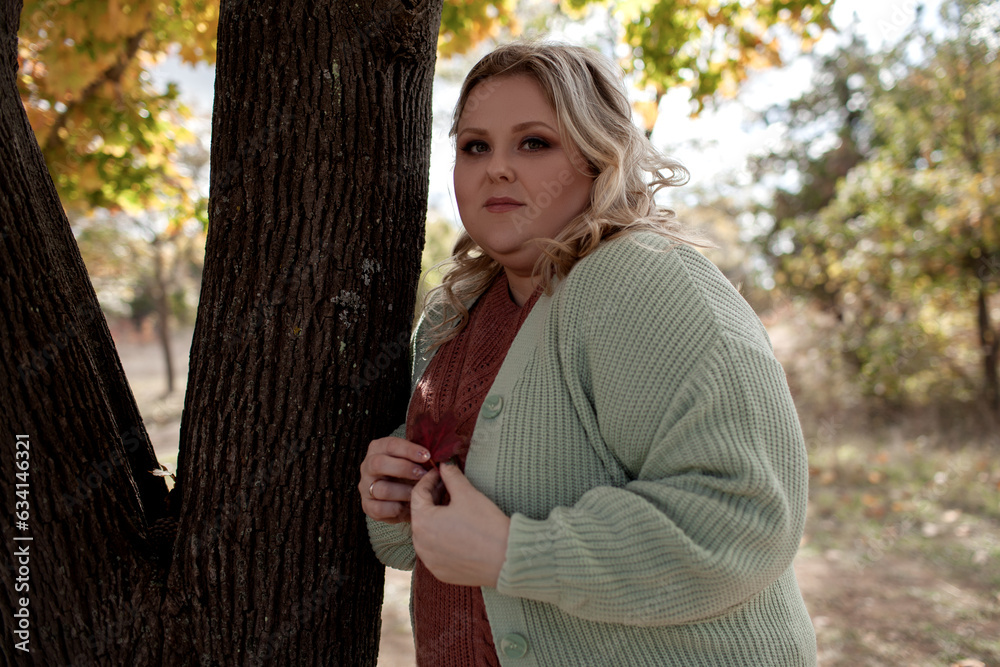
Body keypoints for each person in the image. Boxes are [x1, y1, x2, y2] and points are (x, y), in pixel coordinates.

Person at [359, 40, 817, 666]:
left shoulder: (645, 280)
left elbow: (746, 518)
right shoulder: (453, 314)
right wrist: (394, 497)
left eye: (534, 143)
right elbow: (425, 542)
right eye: (475, 146)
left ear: (599, 158)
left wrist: (515, 552)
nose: (497, 168)